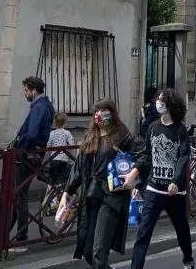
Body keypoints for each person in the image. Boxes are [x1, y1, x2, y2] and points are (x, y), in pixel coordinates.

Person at [58, 98, 137, 269]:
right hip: (90, 195)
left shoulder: (122, 136)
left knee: (98, 253)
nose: (99, 114)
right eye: (96, 111)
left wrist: (133, 177)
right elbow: (78, 168)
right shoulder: (90, 136)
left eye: (103, 110)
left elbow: (137, 159)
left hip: (111, 197)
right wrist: (66, 193)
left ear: (111, 113)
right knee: (87, 251)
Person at [123, 88, 194, 269]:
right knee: (143, 232)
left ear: (170, 105)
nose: (158, 104)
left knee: (182, 230)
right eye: (158, 100)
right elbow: (147, 155)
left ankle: (188, 259)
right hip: (154, 188)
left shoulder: (180, 130)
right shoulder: (153, 127)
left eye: (162, 101)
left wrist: (176, 181)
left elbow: (183, 157)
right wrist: (139, 182)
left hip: (174, 192)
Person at [9, 76, 54, 249]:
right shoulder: (43, 106)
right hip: (32, 154)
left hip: (28, 154)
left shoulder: (40, 107)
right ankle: (8, 232)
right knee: (16, 193)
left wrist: (21, 143)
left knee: (20, 194)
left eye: (26, 90)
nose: (25, 93)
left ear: (33, 90)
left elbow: (33, 133)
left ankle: (21, 236)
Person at [47, 112, 75, 186]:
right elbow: (72, 145)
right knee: (63, 181)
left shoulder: (52, 133)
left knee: (54, 181)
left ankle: (54, 195)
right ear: (65, 122)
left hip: (54, 159)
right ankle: (61, 195)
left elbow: (48, 146)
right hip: (64, 160)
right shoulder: (67, 133)